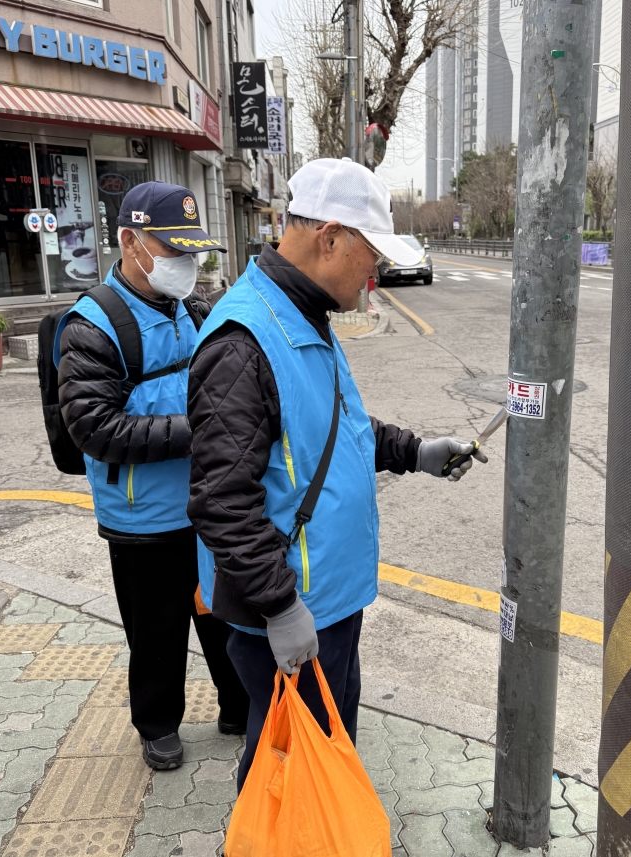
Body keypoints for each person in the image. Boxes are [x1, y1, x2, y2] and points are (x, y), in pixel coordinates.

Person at [187, 158, 487, 790]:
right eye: (371, 255)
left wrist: (414, 451)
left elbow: (335, 428)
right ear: (330, 238)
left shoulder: (302, 317)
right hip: (290, 608)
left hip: (322, 600)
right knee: (291, 771)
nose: (375, 274)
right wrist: (280, 607)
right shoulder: (243, 341)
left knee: (314, 757)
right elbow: (222, 501)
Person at [54, 181, 249, 770]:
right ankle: (157, 724)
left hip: (207, 503)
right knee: (157, 631)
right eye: (171, 252)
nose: (184, 266)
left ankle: (238, 705)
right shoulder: (92, 325)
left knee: (224, 616)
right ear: (129, 242)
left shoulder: (196, 310)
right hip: (141, 518)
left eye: (191, 253)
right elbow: (96, 429)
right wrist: (201, 426)